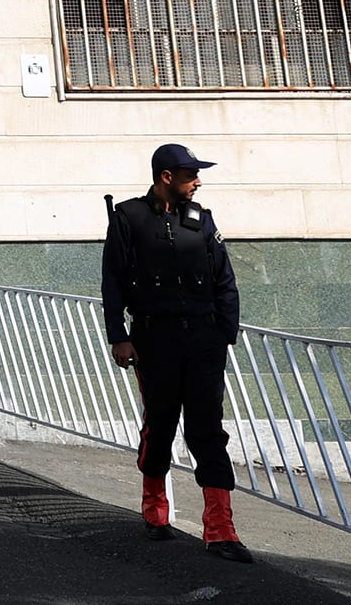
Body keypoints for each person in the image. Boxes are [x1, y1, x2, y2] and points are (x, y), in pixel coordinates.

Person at [101, 142, 252, 564]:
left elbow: (225, 279)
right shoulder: (128, 217)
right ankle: (155, 509)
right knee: (161, 425)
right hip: (154, 340)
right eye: (190, 176)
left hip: (203, 341)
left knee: (208, 431)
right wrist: (119, 336)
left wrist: (224, 333)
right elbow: (112, 282)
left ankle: (220, 529)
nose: (197, 182)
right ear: (166, 177)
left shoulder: (200, 219)